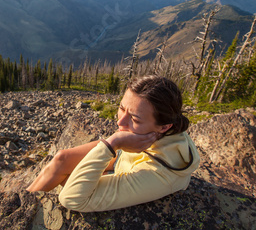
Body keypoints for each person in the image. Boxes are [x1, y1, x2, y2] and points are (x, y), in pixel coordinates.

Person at [26, 75, 200, 212]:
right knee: (61, 158)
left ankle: (27, 213)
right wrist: (119, 143)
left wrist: (113, 143)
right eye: (122, 108)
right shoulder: (161, 128)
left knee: (68, 185)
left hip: (128, 163)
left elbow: (71, 199)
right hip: (123, 156)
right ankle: (25, 204)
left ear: (165, 127)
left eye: (135, 119)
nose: (120, 123)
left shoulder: (159, 175)